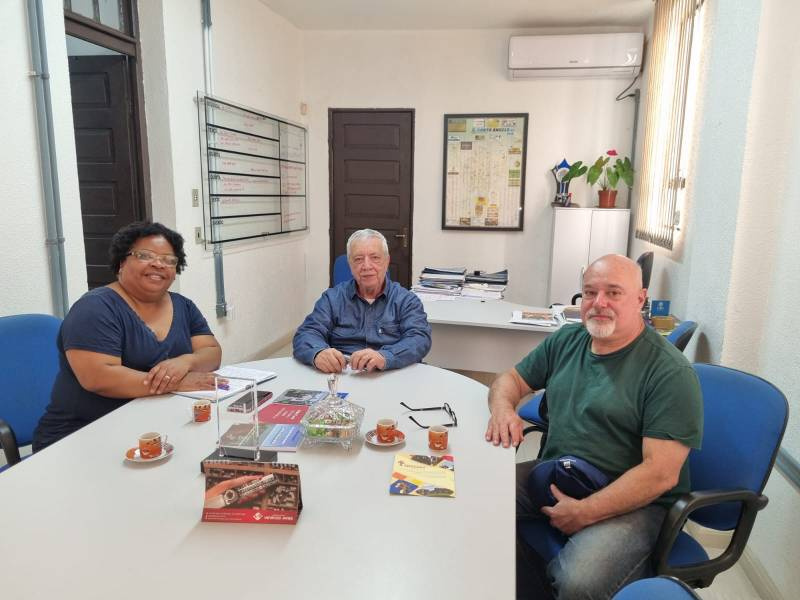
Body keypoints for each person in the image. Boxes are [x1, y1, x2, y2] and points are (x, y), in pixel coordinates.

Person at [484, 254, 703, 599]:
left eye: (613, 293)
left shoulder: (668, 373)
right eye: (589, 293)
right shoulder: (567, 340)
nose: (598, 303)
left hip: (637, 500)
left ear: (640, 300)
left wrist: (585, 512)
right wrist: (502, 409)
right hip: (560, 472)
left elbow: (660, 474)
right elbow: (510, 379)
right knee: (476, 497)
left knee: (579, 581)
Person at [33, 222, 222, 451]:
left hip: (151, 429)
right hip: (82, 437)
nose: (158, 264)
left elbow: (212, 352)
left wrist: (186, 361)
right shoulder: (95, 308)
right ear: (121, 262)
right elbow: (100, 377)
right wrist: (177, 383)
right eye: (145, 255)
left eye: (169, 260)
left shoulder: (183, 306)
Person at [293, 229, 431, 373]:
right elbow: (306, 333)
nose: (366, 266)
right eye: (358, 259)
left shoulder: (406, 300)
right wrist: (318, 353)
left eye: (375, 257)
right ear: (350, 264)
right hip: (343, 376)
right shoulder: (332, 299)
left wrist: (385, 357)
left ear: (387, 261)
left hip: (389, 374)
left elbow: (419, 339)